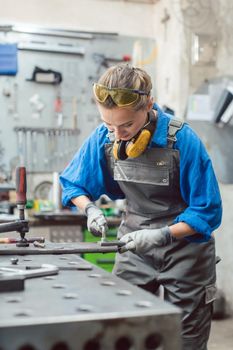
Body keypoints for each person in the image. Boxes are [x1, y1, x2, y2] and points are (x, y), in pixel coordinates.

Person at [60, 64, 222, 350]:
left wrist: (163, 235)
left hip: (187, 251)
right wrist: (90, 210)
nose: (118, 134)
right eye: (110, 125)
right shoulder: (104, 137)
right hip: (133, 247)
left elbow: (207, 210)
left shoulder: (182, 140)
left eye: (127, 125)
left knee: (185, 340)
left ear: (148, 104)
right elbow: (73, 183)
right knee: (124, 331)